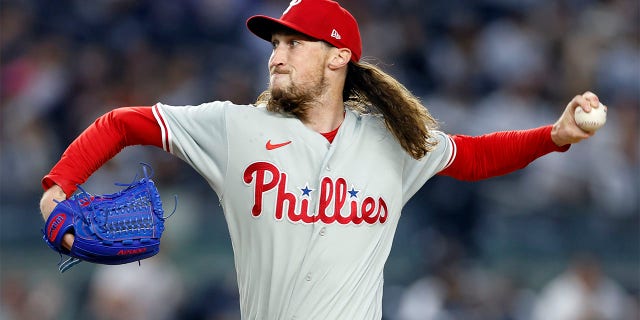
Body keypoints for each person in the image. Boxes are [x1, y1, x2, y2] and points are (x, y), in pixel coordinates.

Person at [38, 0, 606, 319]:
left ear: (338, 57)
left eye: (292, 43)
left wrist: (553, 136)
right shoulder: (235, 128)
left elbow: (475, 156)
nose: (276, 56)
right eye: (274, 44)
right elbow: (124, 123)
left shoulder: (391, 140)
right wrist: (59, 186)